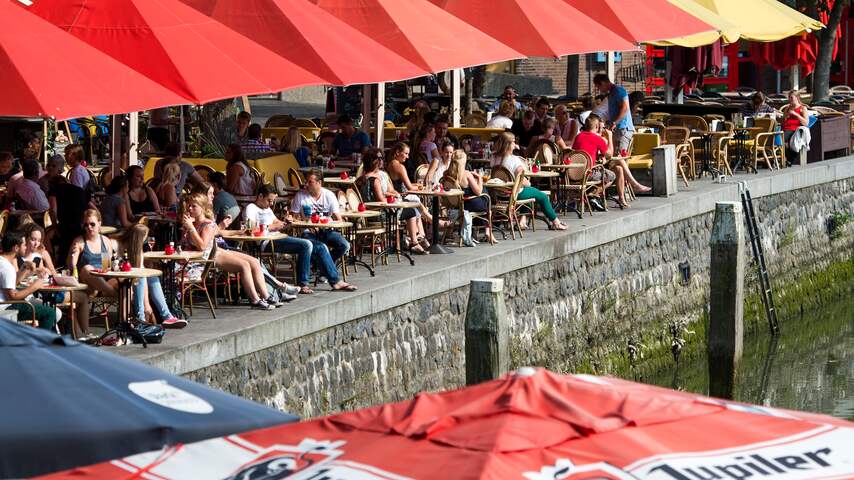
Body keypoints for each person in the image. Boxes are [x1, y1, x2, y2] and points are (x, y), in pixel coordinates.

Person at [180, 193, 280, 310]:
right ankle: (255, 300)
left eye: (193, 206)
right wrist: (187, 229)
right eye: (189, 206)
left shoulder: (206, 224)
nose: (190, 208)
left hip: (209, 254)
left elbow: (202, 245)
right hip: (205, 256)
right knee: (244, 265)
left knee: (255, 261)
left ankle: (266, 296)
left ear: (202, 208)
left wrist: (191, 229)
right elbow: (191, 244)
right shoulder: (192, 224)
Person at [246, 185, 355, 293]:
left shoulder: (267, 209)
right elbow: (251, 229)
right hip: (266, 241)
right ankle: (302, 283)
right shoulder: (251, 208)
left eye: (272, 201)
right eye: (269, 200)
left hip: (278, 237)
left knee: (320, 246)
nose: (271, 204)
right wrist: (272, 227)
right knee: (306, 244)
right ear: (260, 196)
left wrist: (286, 221)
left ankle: (335, 281)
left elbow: (277, 222)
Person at [356, 150, 428, 254]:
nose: (382, 161)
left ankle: (414, 240)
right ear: (375, 162)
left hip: (367, 215)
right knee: (411, 212)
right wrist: (393, 200)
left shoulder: (359, 179)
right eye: (380, 159)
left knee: (410, 209)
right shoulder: (375, 180)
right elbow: (381, 200)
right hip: (380, 215)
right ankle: (414, 243)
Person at [490, 132, 566, 231]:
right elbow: (522, 179)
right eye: (513, 142)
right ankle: (556, 222)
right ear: (509, 144)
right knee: (542, 196)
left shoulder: (493, 157)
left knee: (529, 192)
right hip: (514, 193)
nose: (515, 144)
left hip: (499, 193)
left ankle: (522, 221)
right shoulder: (514, 160)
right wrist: (528, 183)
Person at [68, 209, 119, 339]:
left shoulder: (105, 241)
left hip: (103, 282)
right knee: (87, 268)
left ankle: (129, 323)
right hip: (87, 285)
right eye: (86, 225)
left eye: (92, 224)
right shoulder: (80, 242)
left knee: (126, 282)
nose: (89, 228)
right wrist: (73, 255)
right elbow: (71, 267)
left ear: (99, 223)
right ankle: (114, 294)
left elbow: (107, 267)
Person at [291, 170, 358, 269]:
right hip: (308, 231)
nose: (306, 185)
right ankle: (325, 268)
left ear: (319, 183)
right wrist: (306, 224)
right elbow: (293, 218)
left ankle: (322, 266)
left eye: (310, 182)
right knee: (318, 247)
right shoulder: (300, 195)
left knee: (345, 245)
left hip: (327, 230)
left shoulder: (329, 195)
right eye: (306, 182)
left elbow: (338, 219)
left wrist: (333, 224)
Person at [0, 232, 56, 331]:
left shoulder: (3, 262)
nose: (26, 247)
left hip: (5, 304)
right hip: (5, 308)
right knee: (50, 313)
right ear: (16, 248)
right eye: (24, 245)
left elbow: (10, 284)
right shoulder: (7, 267)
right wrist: (34, 287)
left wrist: (24, 269)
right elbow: (12, 297)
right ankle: (39, 340)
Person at [441, 150, 497, 244]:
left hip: (455, 205)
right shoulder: (466, 174)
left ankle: (475, 232)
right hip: (469, 204)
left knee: (484, 196)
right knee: (485, 195)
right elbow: (478, 192)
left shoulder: (446, 174)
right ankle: (488, 231)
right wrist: (479, 178)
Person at [47, 175, 91, 264]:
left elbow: (53, 210)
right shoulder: (79, 189)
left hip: (66, 224)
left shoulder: (54, 190)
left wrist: (55, 226)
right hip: (81, 223)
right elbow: (89, 206)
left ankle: (59, 263)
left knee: (61, 245)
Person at [594, 74, 634, 154]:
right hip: (618, 129)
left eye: (598, 87)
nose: (599, 90)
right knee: (615, 156)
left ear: (603, 83)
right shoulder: (611, 93)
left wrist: (615, 122)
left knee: (620, 157)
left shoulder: (618, 91)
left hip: (623, 129)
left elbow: (625, 108)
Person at [782, 90, 810, 167]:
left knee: (781, 140)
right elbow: (783, 120)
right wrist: (785, 116)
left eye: (791, 97)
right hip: (785, 129)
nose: (789, 99)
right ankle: (789, 159)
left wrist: (796, 115)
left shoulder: (802, 108)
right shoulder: (787, 108)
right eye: (789, 97)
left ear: (797, 98)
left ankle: (790, 159)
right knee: (776, 140)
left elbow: (806, 123)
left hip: (794, 130)